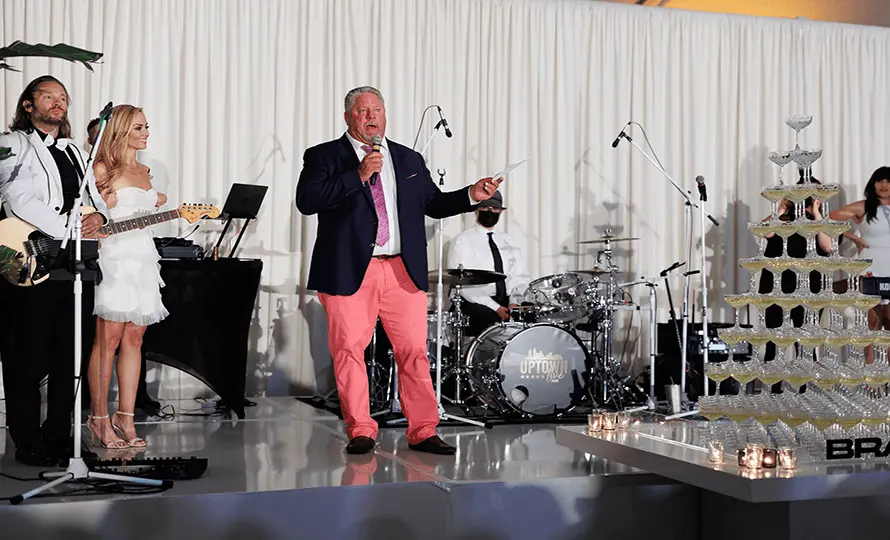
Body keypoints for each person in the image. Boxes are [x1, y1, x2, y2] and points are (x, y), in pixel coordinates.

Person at [296, 86, 502, 455]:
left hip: (401, 269)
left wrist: (471, 194)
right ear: (348, 117)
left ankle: (423, 430)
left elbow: (434, 204)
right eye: (362, 111)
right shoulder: (324, 155)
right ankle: (361, 429)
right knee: (349, 351)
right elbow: (307, 201)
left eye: (377, 109)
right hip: (349, 270)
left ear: (386, 114)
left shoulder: (408, 159)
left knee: (414, 352)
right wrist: (357, 175)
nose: (371, 117)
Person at [0, 75, 109, 466]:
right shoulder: (11, 144)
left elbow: (93, 199)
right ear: (28, 105)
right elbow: (18, 198)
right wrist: (68, 227)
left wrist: (99, 217)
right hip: (29, 257)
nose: (57, 102)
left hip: (76, 262)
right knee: (26, 354)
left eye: (62, 97)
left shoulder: (77, 152)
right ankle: (27, 440)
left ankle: (59, 437)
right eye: (48, 96)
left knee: (71, 354)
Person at [85, 104, 168, 449]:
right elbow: (89, 216)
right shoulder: (101, 168)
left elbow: (144, 213)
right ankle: (98, 418)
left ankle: (126, 416)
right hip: (113, 259)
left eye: (146, 126)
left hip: (144, 259)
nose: (146, 132)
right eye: (138, 127)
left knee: (135, 340)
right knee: (108, 341)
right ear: (120, 130)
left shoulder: (145, 170)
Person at [759, 175, 832, 391]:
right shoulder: (782, 216)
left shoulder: (821, 220)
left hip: (809, 282)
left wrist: (816, 213)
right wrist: (780, 208)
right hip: (777, 281)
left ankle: (803, 389)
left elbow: (827, 247)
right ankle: (774, 389)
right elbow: (764, 232)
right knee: (775, 335)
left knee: (805, 336)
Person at [445, 189, 530, 336]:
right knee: (488, 320)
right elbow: (463, 284)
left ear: (501, 212)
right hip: (475, 302)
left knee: (534, 315)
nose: (490, 211)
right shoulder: (462, 241)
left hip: (507, 301)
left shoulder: (508, 241)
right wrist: (497, 308)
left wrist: (514, 303)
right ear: (477, 210)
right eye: (485, 208)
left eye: (495, 208)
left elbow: (520, 278)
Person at [830, 166, 890, 362]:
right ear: (873, 184)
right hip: (871, 269)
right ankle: (870, 383)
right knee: (872, 326)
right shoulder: (864, 206)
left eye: (888, 181)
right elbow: (830, 218)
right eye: (880, 180)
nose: (884, 185)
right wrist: (852, 237)